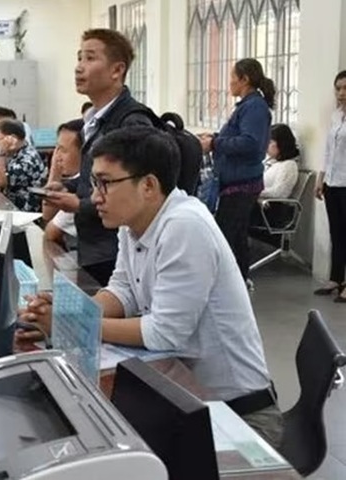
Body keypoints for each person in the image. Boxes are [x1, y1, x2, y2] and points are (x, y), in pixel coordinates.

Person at [18, 127, 283, 448]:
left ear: (148, 185)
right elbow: (123, 291)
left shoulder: (184, 225)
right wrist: (67, 311)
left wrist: (75, 324)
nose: (96, 196)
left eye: (105, 183)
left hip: (240, 417)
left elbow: (164, 333)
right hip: (185, 400)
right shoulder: (134, 224)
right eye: (94, 184)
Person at [42, 28, 153, 286]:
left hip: (116, 255)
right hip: (94, 249)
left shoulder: (132, 122)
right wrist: (68, 188)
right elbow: (96, 181)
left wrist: (78, 205)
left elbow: (133, 196)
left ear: (117, 70)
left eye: (90, 58)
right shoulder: (94, 121)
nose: (79, 67)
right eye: (79, 58)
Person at [199, 58, 274, 283]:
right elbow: (238, 136)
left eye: (232, 77)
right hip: (234, 181)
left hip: (242, 184)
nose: (229, 82)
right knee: (237, 236)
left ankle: (229, 284)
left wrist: (215, 144)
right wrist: (215, 138)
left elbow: (250, 143)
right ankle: (239, 281)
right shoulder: (247, 106)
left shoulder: (255, 107)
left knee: (226, 236)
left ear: (245, 79)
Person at [314, 70, 346, 302]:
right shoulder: (336, 116)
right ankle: (336, 278)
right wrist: (320, 178)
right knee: (336, 232)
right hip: (332, 182)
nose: (341, 93)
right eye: (338, 88)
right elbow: (328, 151)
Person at [0, 118, 47, 212]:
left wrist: (0, 154)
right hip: (10, 206)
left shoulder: (27, 159)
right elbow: (9, 176)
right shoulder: (20, 152)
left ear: (13, 139)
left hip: (23, 212)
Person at [43, 119, 83, 249]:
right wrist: (55, 172)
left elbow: (51, 232)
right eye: (57, 149)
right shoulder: (73, 181)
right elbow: (48, 214)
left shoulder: (84, 188)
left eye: (63, 150)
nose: (57, 157)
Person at [260, 124, 299, 200]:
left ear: (282, 143)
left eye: (269, 142)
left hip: (270, 205)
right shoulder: (271, 162)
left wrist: (253, 193)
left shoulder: (289, 165)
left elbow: (279, 193)